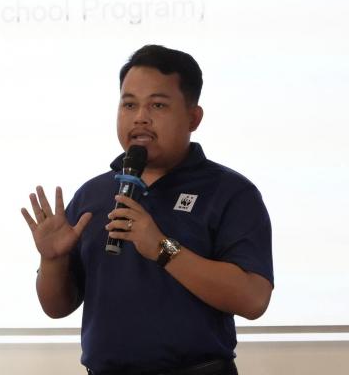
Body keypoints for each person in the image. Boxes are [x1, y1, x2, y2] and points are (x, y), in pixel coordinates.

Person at [21, 45, 273, 375]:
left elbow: (253, 299)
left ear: (193, 117)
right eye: (129, 104)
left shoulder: (230, 192)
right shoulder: (93, 195)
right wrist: (52, 261)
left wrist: (161, 248)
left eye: (157, 105)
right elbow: (56, 307)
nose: (140, 117)